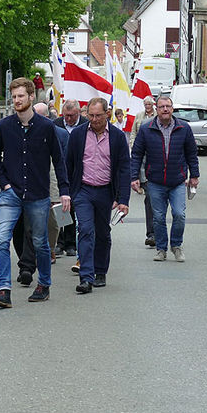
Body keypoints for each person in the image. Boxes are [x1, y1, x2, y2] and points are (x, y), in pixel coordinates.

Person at [0, 77, 70, 308]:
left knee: (40, 242)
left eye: (21, 96)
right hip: (11, 193)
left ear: (32, 97)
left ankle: (43, 284)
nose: (17, 101)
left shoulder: (46, 128)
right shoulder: (4, 127)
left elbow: (59, 160)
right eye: (14, 97)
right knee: (1, 238)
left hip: (38, 193)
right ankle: (4, 289)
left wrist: (64, 191)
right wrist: (3, 184)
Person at [65, 98, 130, 293]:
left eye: (98, 116)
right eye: (90, 115)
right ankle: (86, 276)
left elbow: (124, 169)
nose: (94, 120)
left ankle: (100, 270)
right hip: (83, 190)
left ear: (107, 114)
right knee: (85, 230)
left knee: (102, 233)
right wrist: (66, 192)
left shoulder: (117, 137)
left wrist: (123, 200)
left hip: (105, 191)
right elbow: (68, 164)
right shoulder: (78, 135)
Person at [130, 95, 200, 262]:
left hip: (177, 181)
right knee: (159, 217)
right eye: (161, 107)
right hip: (155, 181)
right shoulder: (147, 128)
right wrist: (134, 177)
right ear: (157, 109)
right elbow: (137, 154)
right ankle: (161, 249)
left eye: (168, 106)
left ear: (172, 108)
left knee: (179, 214)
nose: (165, 109)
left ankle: (176, 245)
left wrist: (194, 175)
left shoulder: (184, 128)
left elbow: (192, 153)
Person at [15, 102, 69, 285]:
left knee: (53, 224)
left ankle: (50, 250)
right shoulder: (17, 130)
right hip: (23, 188)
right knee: (26, 228)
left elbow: (62, 163)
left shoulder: (59, 133)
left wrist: (63, 190)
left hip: (49, 186)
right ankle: (27, 265)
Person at [54, 99, 88, 256]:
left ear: (79, 113)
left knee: (73, 207)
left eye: (72, 116)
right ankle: (59, 242)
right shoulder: (56, 124)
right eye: (65, 116)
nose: (68, 119)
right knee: (60, 208)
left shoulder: (87, 124)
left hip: (79, 172)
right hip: (59, 171)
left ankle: (70, 243)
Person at [131, 96, 156, 246]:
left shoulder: (158, 117)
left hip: (163, 172)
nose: (147, 106)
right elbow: (134, 132)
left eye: (149, 104)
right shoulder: (139, 117)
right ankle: (152, 234)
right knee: (151, 201)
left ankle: (162, 233)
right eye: (145, 104)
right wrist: (134, 145)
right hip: (144, 162)